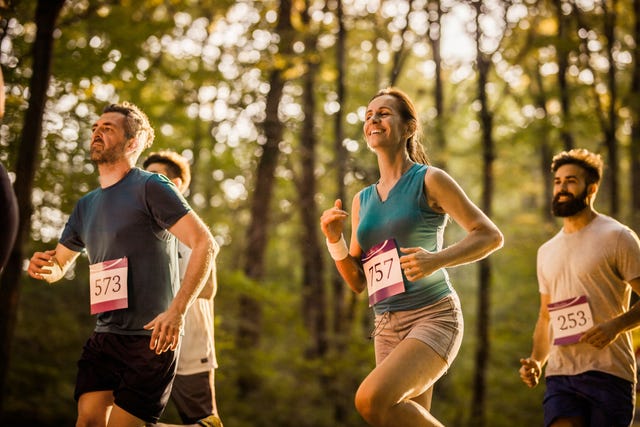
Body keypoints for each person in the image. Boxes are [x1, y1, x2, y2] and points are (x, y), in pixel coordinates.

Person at [319, 87, 503, 427]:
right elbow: (359, 282)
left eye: (384, 113)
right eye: (368, 115)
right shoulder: (362, 200)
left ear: (408, 128)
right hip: (386, 326)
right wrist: (335, 242)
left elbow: (490, 235)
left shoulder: (429, 180)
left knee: (371, 401)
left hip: (433, 316)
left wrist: (437, 259)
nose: (374, 119)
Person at [27, 102, 217, 427]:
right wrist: (45, 266)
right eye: (96, 127)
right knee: (87, 421)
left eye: (108, 127)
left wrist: (177, 311)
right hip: (105, 333)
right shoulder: (85, 206)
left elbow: (205, 244)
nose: (97, 131)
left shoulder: (151, 187)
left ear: (132, 144)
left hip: (151, 337)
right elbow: (60, 263)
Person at [519, 148, 640, 427]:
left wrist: (616, 326)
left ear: (592, 188)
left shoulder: (617, 237)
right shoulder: (546, 251)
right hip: (560, 374)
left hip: (609, 372)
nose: (562, 188)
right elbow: (545, 317)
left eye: (571, 181)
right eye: (558, 181)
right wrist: (538, 361)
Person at [143, 151, 223, 427]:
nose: (151, 184)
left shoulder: (195, 229)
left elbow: (208, 289)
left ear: (178, 185)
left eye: (159, 178)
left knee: (204, 422)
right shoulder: (139, 227)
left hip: (191, 346)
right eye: (147, 178)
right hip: (142, 342)